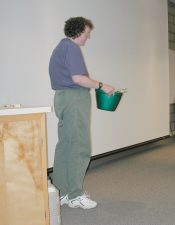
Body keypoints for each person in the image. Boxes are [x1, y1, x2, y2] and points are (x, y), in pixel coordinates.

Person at [49, 17, 115, 209]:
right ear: (78, 32)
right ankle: (75, 195)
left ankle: (62, 192)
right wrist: (103, 86)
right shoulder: (71, 47)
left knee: (66, 145)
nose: (88, 37)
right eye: (87, 33)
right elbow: (78, 78)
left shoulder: (61, 47)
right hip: (74, 99)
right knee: (80, 146)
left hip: (63, 99)